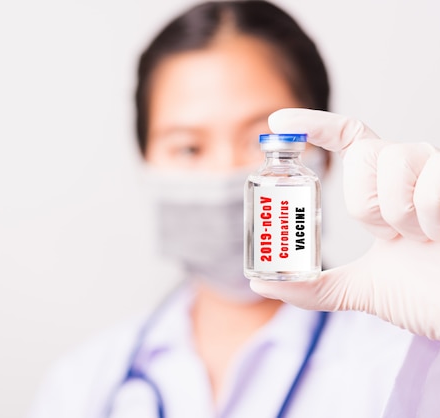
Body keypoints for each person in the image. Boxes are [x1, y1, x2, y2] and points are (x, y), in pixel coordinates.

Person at [28, 2, 416, 417]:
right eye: (189, 148)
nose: (227, 176)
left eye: (260, 142)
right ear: (145, 163)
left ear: (324, 153)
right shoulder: (84, 384)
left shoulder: (411, 365)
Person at [250, 107, 440, 416]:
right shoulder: (155, 331)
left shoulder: (395, 340)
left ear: (320, 155)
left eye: (247, 138)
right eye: (189, 148)